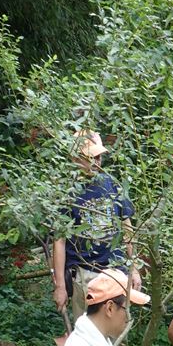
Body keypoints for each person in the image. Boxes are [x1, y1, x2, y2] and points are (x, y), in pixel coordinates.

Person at [51, 130, 140, 322]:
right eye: (90, 157)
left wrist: (135, 268)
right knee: (87, 336)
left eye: (98, 157)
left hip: (116, 271)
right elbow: (59, 241)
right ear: (75, 158)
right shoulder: (67, 192)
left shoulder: (112, 184)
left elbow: (126, 228)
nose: (96, 162)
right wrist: (60, 286)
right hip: (85, 274)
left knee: (118, 336)